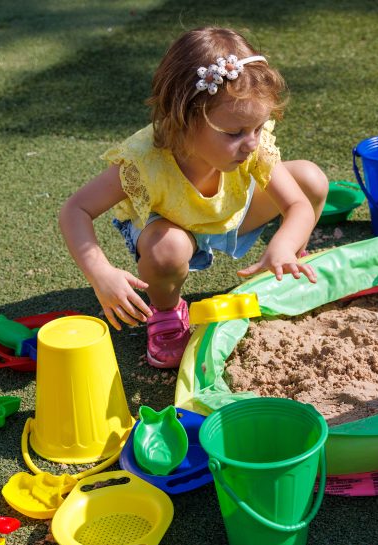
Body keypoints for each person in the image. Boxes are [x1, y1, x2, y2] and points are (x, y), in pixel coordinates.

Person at [59, 27, 328, 369]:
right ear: (184, 119)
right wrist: (101, 273)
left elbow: (297, 205)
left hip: (231, 211)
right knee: (165, 250)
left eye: (257, 128)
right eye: (234, 133)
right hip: (172, 226)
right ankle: (167, 312)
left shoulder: (250, 144)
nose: (250, 142)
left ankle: (290, 259)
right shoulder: (145, 160)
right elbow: (75, 209)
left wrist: (285, 242)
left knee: (310, 180)